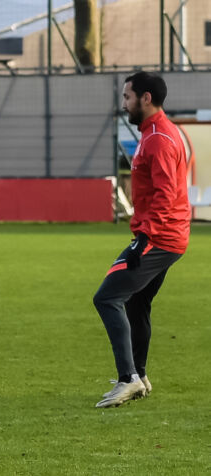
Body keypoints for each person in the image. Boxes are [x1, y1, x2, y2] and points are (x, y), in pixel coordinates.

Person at [92, 71, 189, 408]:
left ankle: (127, 378)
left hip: (160, 237)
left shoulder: (159, 138)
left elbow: (166, 194)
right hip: (168, 235)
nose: (124, 104)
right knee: (136, 302)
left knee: (106, 298)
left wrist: (143, 238)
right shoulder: (157, 133)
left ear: (145, 98)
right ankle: (140, 376)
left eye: (127, 97)